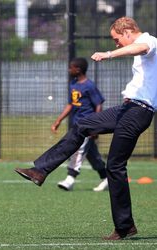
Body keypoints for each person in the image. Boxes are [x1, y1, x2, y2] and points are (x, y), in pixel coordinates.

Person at [15, 16, 157, 240]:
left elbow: (139, 47)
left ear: (128, 31)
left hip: (139, 112)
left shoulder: (149, 41)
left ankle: (124, 226)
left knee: (115, 165)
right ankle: (40, 170)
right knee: (81, 125)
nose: (116, 44)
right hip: (126, 109)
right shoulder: (140, 48)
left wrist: (108, 54)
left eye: (116, 39)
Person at [52, 57, 108, 192]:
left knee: (78, 150)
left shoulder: (89, 86)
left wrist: (96, 126)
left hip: (87, 126)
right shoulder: (73, 84)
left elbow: (98, 105)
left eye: (71, 67)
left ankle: (70, 179)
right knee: (93, 156)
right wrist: (59, 120)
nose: (69, 70)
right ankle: (107, 179)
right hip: (76, 125)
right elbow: (71, 104)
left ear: (78, 69)